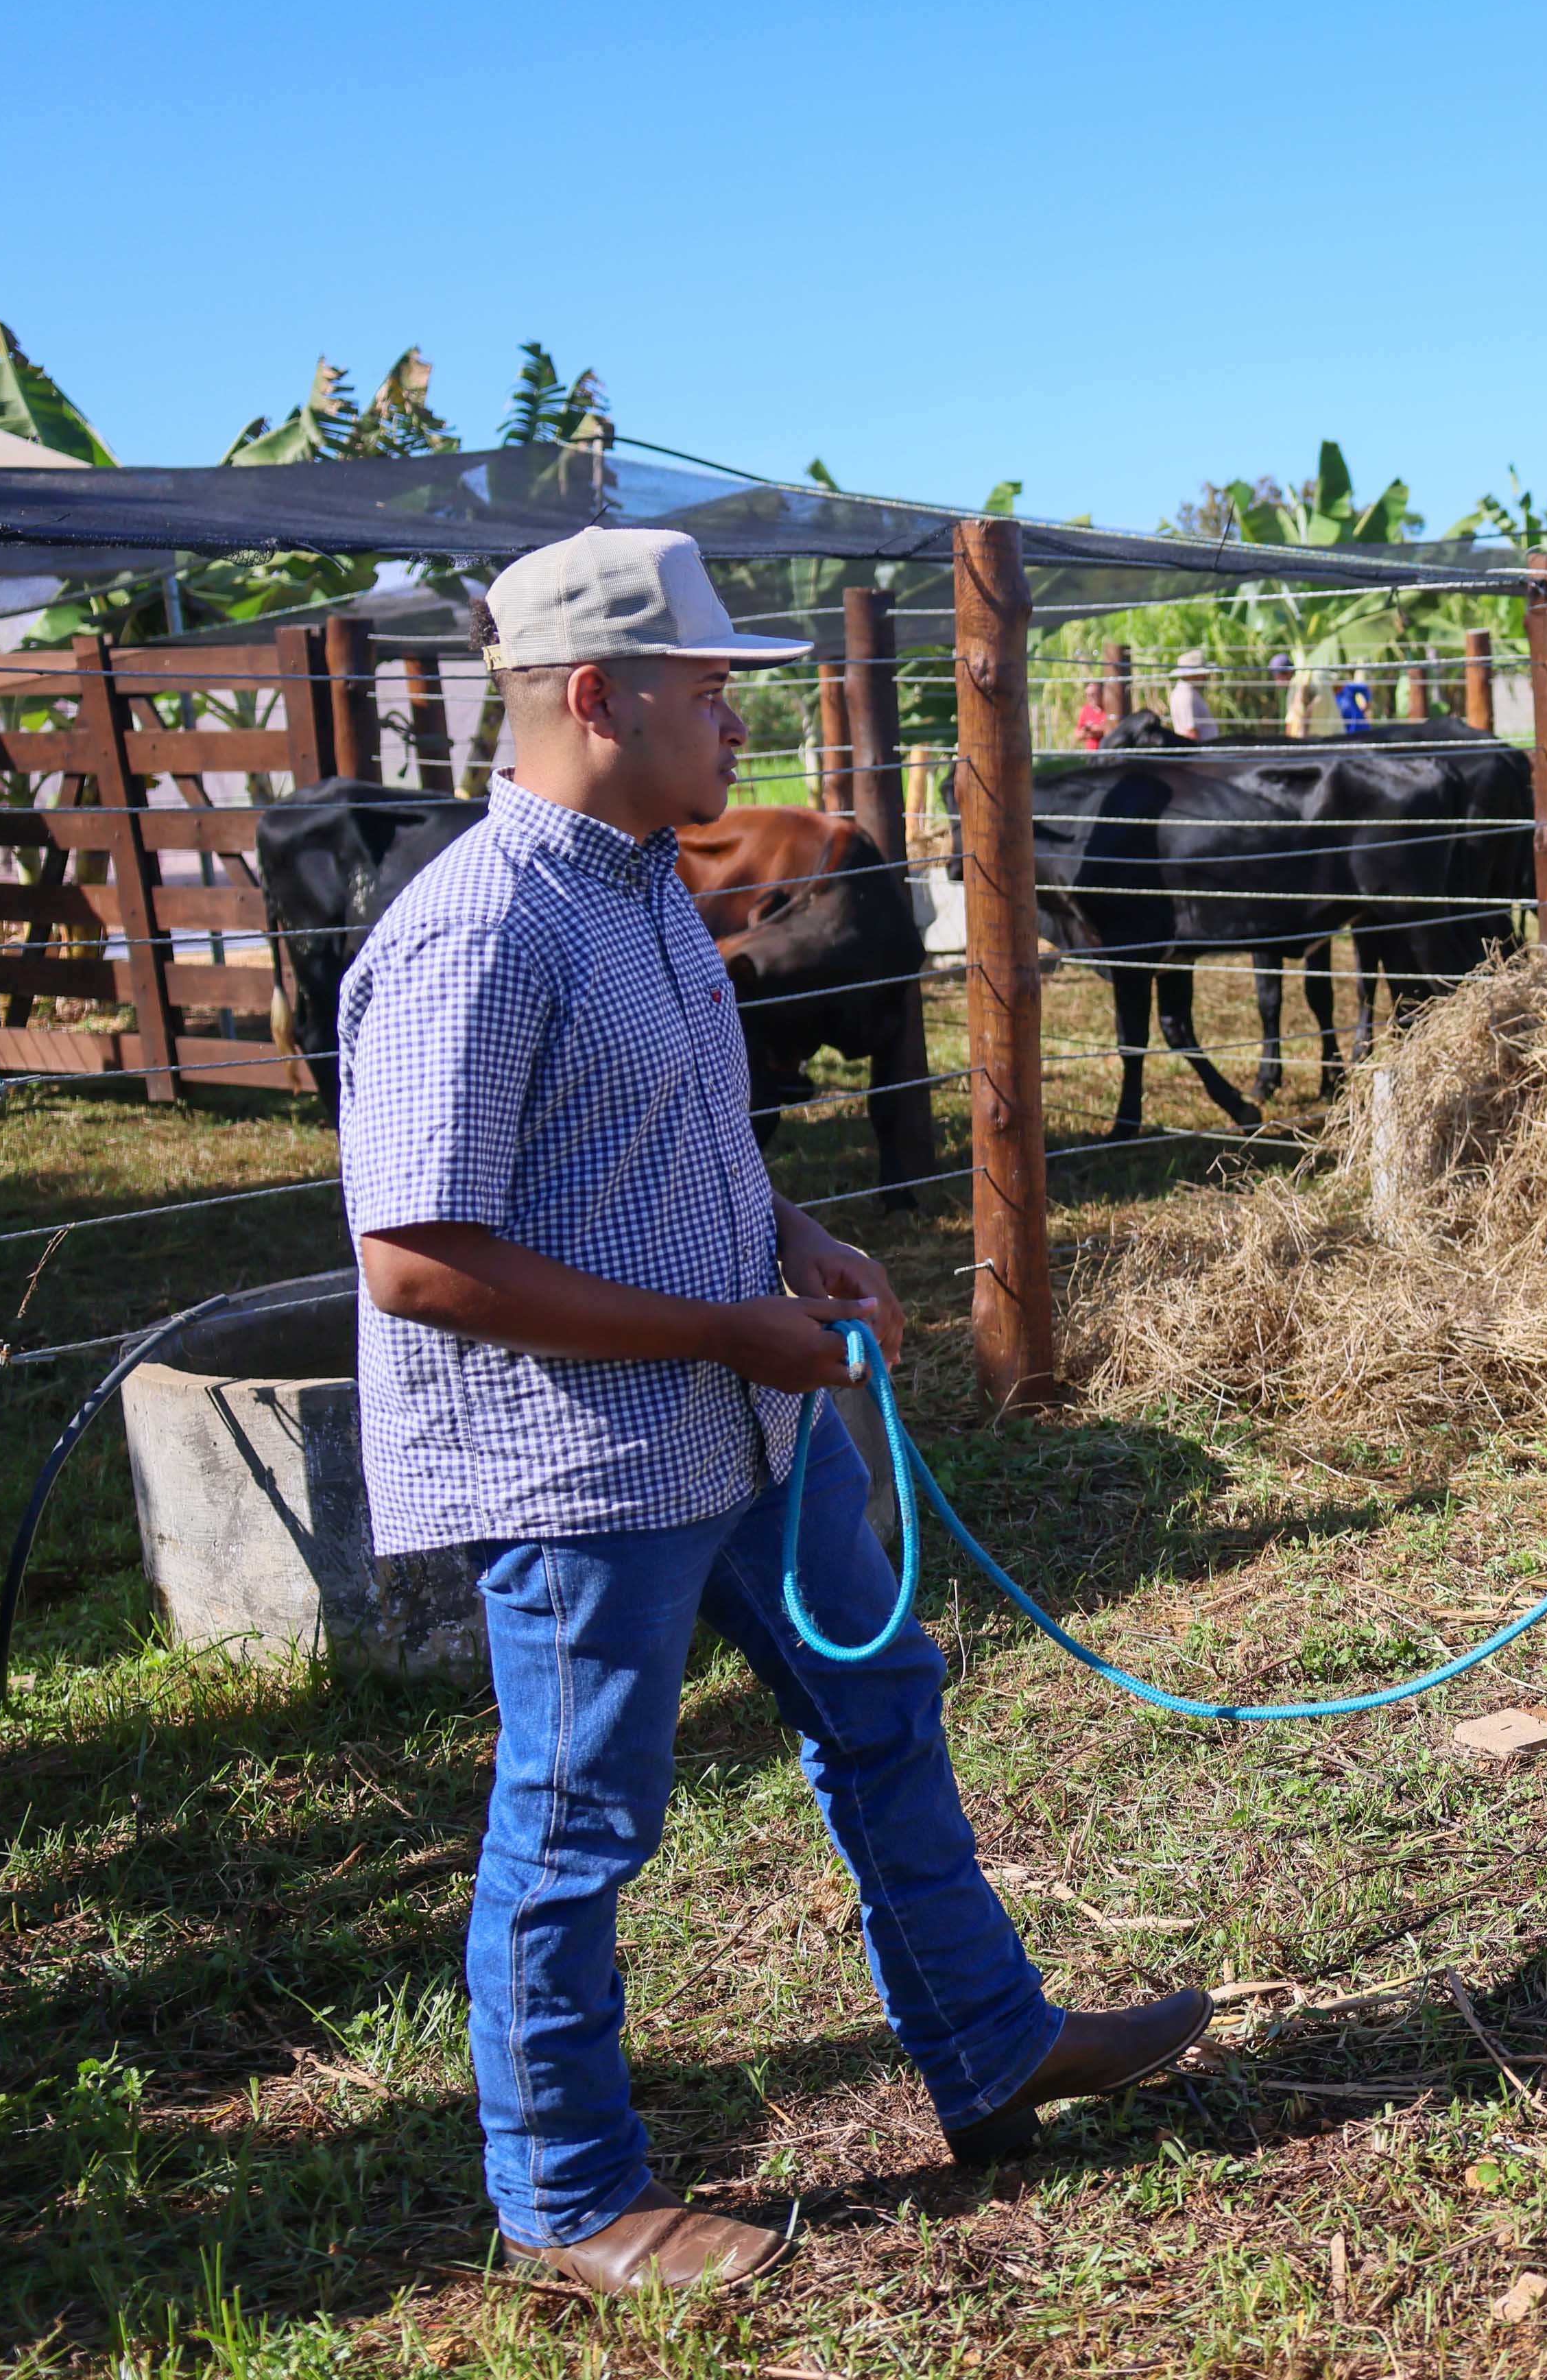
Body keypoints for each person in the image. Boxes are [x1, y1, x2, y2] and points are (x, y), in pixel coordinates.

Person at [339, 528, 1208, 2295]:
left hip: (737, 1415)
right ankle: (570, 2197)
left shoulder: (650, 884)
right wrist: (726, 1335)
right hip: (590, 1458)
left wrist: (790, 1237)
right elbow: (416, 1262)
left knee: (881, 1697)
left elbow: (668, 1140)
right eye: (710, 686)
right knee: (578, 1816)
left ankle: (991, 2044)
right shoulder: (475, 930)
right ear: (597, 696)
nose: (741, 717)